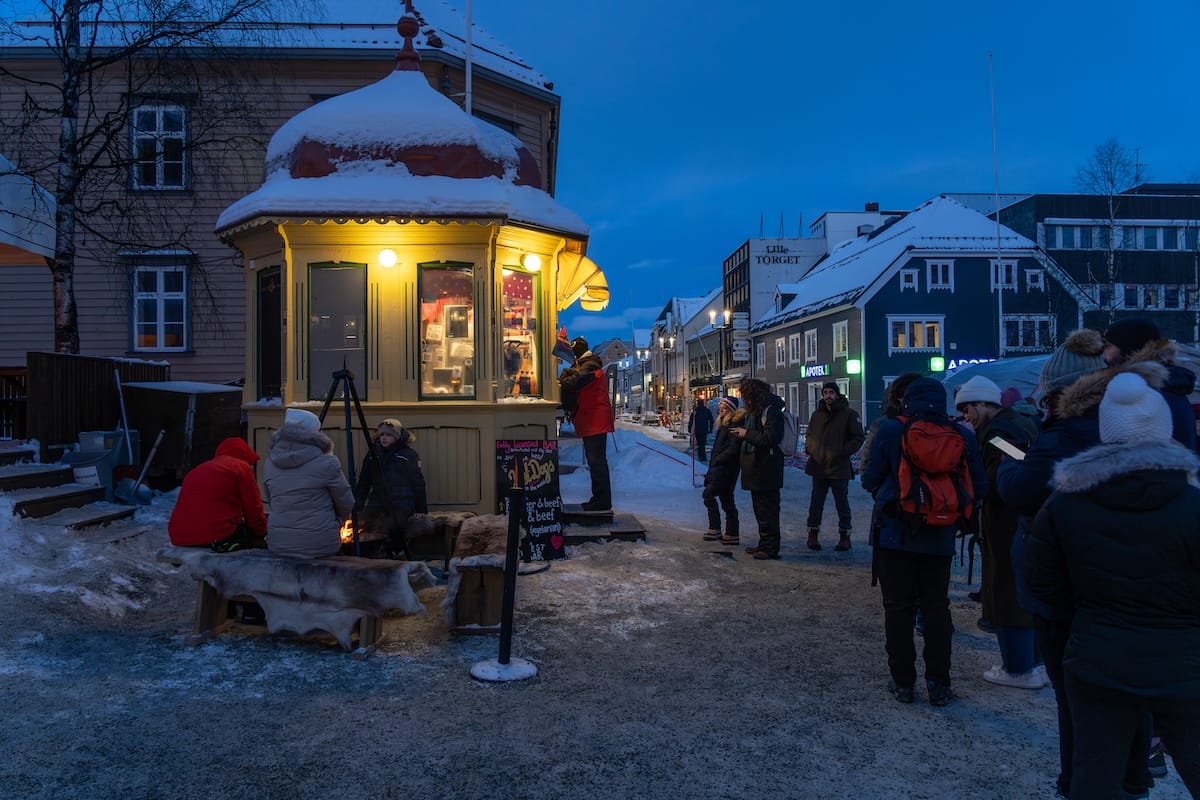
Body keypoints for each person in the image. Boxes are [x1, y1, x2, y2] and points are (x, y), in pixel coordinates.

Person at [1027, 372, 1200, 800]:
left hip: (1097, 653)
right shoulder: (1193, 503)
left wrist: (1085, 616)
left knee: (1095, 773)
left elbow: (1040, 580)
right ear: (1164, 431)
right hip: (1183, 662)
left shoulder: (1066, 502)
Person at [998, 328, 1151, 799]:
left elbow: (1024, 493)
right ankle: (1133, 777)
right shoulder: (1146, 427)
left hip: (1068, 584)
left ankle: (1078, 784)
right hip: (1135, 583)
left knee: (1076, 697)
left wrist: (1008, 468)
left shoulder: (1064, 435)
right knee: (1129, 691)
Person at [862, 377, 987, 707]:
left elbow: (869, 478)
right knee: (936, 608)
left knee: (898, 609)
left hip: (895, 533)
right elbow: (979, 485)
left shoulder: (890, 430)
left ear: (905, 402)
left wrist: (892, 495)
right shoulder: (960, 435)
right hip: (940, 535)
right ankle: (939, 683)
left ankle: (903, 682)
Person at [953, 374, 1042, 690]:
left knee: (1006, 590)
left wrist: (974, 487)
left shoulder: (999, 435)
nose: (967, 417)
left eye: (968, 409)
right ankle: (1033, 662)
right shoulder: (1019, 423)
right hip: (1022, 520)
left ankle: (1018, 667)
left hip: (1007, 522)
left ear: (982, 403)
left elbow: (1015, 469)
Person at [263, 408, 356, 559]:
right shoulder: (327, 462)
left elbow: (271, 500)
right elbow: (346, 503)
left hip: (279, 543)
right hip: (320, 544)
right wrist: (337, 522)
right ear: (314, 434)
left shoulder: (270, 463)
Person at [1102, 317, 1197, 449]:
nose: (1104, 354)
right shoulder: (1169, 385)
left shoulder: (1144, 394)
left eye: (1108, 346)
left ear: (1129, 347)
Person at [168, 436, 267, 552]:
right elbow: (253, 507)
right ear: (245, 454)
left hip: (179, 536)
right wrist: (262, 531)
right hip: (216, 536)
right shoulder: (240, 467)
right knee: (260, 543)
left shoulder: (197, 469)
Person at [804, 381, 865, 552]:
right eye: (825, 393)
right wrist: (811, 449)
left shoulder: (849, 414)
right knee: (816, 503)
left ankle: (845, 536)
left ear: (837, 395)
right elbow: (809, 434)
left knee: (842, 503)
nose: (828, 396)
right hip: (818, 466)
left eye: (831, 392)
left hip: (839, 467)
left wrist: (841, 452)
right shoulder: (817, 415)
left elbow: (858, 437)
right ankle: (812, 534)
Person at [355, 418, 428, 557]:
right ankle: (374, 554)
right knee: (368, 527)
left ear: (396, 436)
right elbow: (364, 481)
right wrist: (358, 504)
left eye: (388, 435)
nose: (384, 438)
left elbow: (418, 483)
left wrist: (421, 509)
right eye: (382, 435)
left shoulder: (408, 455)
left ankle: (396, 552)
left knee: (394, 526)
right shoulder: (372, 455)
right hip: (377, 500)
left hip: (401, 501)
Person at [558, 337, 615, 511]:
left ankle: (602, 501)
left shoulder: (590, 365)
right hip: (592, 419)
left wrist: (566, 376)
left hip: (595, 419)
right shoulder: (586, 365)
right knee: (595, 461)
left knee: (596, 461)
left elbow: (573, 382)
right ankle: (599, 499)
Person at [730, 378, 785, 559]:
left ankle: (770, 547)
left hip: (767, 469)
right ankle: (764, 544)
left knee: (768, 509)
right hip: (757, 469)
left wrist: (746, 434)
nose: (744, 400)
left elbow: (769, 439)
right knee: (760, 509)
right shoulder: (755, 413)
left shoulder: (772, 413)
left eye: (746, 396)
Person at [701, 395, 743, 544]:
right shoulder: (725, 425)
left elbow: (733, 449)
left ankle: (716, 528)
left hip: (726, 468)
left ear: (730, 409)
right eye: (720, 407)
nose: (720, 409)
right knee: (726, 500)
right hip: (722, 468)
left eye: (724, 407)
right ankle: (731, 533)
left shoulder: (733, 425)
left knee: (708, 494)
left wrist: (718, 460)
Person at [687, 396, 714, 461]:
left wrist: (690, 428)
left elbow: (691, 420)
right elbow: (711, 420)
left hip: (698, 430)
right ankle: (703, 456)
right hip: (704, 429)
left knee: (699, 443)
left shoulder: (695, 411)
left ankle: (700, 456)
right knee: (703, 443)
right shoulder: (707, 411)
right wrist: (710, 428)